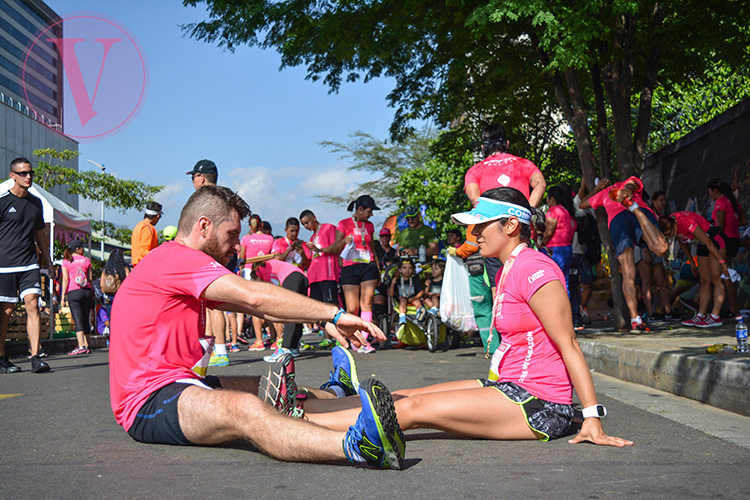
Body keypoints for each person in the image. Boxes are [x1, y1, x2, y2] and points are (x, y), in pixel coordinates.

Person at [304, 187, 633, 449]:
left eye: (481, 224)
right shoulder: (509, 267)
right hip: (509, 386)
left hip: (538, 404)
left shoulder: (534, 268)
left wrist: (591, 416)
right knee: (405, 396)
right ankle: (305, 407)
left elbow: (569, 344)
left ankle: (292, 423)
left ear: (511, 225)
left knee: (410, 411)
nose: (473, 232)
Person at [108, 185, 404, 470]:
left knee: (272, 390)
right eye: (232, 233)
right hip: (147, 403)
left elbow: (254, 306)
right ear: (203, 226)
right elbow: (255, 297)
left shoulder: (177, 265)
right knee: (245, 408)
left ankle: (338, 393)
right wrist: (334, 314)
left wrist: (321, 319)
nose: (237, 244)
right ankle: (359, 447)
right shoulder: (176, 258)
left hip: (180, 382)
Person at [580, 177, 668, 332]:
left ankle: (635, 319)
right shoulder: (615, 188)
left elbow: (582, 204)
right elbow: (631, 184)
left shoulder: (604, 193)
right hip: (635, 212)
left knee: (628, 274)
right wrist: (627, 191)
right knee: (660, 249)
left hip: (617, 221)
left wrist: (598, 189)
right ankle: (635, 209)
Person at [0, 158, 51, 374]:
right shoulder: (2, 202)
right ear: (12, 176)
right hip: (4, 266)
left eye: (30, 173)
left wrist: (48, 261)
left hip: (29, 264)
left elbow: (40, 233)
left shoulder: (36, 203)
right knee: (6, 312)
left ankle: (35, 357)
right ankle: (2, 357)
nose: (28, 176)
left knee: (33, 306)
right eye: (22, 173)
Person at [185, 159, 229, 366]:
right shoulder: (223, 196)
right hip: (220, 253)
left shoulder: (204, 198)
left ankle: (220, 350)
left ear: (201, 177)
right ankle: (212, 351)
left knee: (214, 304)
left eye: (193, 177)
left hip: (211, 254)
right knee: (209, 304)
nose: (192, 182)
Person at [658, 212, 729, 328]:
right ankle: (701, 315)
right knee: (704, 281)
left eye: (669, 234)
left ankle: (715, 316)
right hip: (702, 245)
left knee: (716, 278)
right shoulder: (673, 226)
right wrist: (691, 262)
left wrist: (722, 262)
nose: (669, 237)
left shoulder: (686, 222)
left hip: (714, 241)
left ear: (674, 226)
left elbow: (709, 242)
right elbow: (683, 244)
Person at [335, 195, 381, 353]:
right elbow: (335, 248)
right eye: (369, 211)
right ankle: (352, 338)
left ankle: (364, 341)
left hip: (368, 266)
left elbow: (372, 248)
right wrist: (343, 242)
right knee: (352, 307)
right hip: (350, 267)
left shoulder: (370, 226)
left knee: (367, 303)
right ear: (360, 209)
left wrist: (378, 268)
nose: (371, 214)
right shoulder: (343, 224)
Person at [464, 123, 546, 208]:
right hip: (520, 220)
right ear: (507, 144)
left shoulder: (474, 171)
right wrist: (528, 211)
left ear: (483, 147)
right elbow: (541, 184)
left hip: (493, 220)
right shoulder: (525, 163)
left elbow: (474, 198)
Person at [448, 225, 496, 352]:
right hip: (492, 267)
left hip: (479, 271)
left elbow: (471, 246)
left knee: (483, 309)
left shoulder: (477, 216)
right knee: (497, 305)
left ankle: (492, 347)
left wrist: (458, 251)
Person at [251, 259, 310, 361]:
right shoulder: (271, 263)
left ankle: (285, 349)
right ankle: (294, 347)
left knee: (289, 315)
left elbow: (272, 290)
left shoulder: (261, 269)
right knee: (297, 315)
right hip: (302, 277)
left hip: (292, 278)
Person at [300, 209, 341, 350]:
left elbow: (336, 247)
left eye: (307, 222)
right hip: (315, 276)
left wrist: (319, 249)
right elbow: (309, 260)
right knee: (319, 309)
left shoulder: (328, 228)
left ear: (314, 218)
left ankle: (338, 337)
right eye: (303, 224)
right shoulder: (312, 238)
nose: (306, 226)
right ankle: (327, 337)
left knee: (332, 306)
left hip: (327, 274)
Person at [708, 179, 747, 320]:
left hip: (724, 240)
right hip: (734, 239)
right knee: (727, 273)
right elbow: (744, 221)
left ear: (715, 191)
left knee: (725, 274)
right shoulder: (734, 202)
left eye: (710, 192)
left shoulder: (721, 202)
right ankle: (733, 308)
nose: (710, 195)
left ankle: (733, 309)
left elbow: (720, 225)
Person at [239, 214, 275, 351]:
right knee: (269, 306)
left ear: (250, 226)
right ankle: (276, 338)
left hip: (250, 273)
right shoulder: (270, 239)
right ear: (261, 225)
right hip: (267, 272)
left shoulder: (246, 239)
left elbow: (241, 259)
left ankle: (259, 340)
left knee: (254, 308)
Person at [542, 185, 577, 295]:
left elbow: (548, 232)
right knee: (564, 282)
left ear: (552, 199)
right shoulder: (567, 211)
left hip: (554, 250)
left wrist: (540, 244)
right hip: (566, 249)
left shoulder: (554, 211)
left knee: (552, 282)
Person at [61, 239, 94, 355]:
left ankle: (80, 346)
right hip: (87, 291)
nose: (83, 250)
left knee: (78, 319)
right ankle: (87, 345)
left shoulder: (66, 261)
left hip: (74, 292)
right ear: (77, 249)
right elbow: (90, 279)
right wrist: (93, 292)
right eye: (82, 248)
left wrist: (62, 297)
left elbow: (65, 279)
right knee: (86, 319)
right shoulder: (87, 260)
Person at [389, 258, 424, 326]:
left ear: (413, 270)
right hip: (402, 299)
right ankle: (402, 316)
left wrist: (414, 298)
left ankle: (420, 315)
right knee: (403, 300)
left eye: (410, 268)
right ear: (400, 269)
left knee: (418, 301)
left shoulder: (415, 280)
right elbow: (391, 294)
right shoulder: (398, 281)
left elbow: (421, 291)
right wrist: (392, 284)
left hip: (413, 298)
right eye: (404, 268)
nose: (407, 270)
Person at [130, 202, 163, 266]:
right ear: (157, 216)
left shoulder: (139, 226)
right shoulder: (148, 228)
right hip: (145, 266)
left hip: (137, 266)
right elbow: (143, 251)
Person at [100, 249, 129, 320]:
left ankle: (111, 331)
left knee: (111, 320)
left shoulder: (106, 270)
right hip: (120, 297)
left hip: (108, 297)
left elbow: (101, 284)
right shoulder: (124, 269)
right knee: (121, 319)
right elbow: (128, 283)